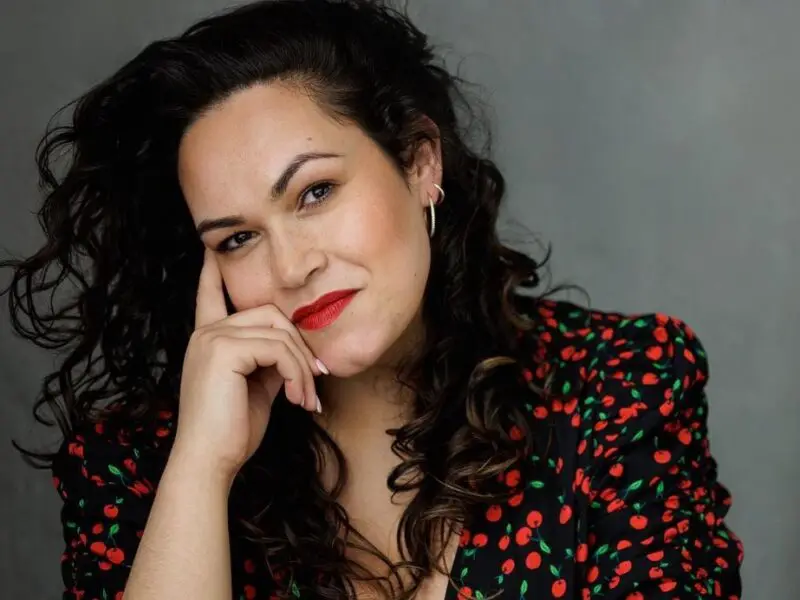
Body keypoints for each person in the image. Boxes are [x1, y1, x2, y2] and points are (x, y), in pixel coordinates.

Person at [2, 0, 743, 598]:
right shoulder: (137, 463)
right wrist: (202, 467)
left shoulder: (620, 383)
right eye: (236, 240)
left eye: (315, 192)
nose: (293, 266)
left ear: (421, 163)